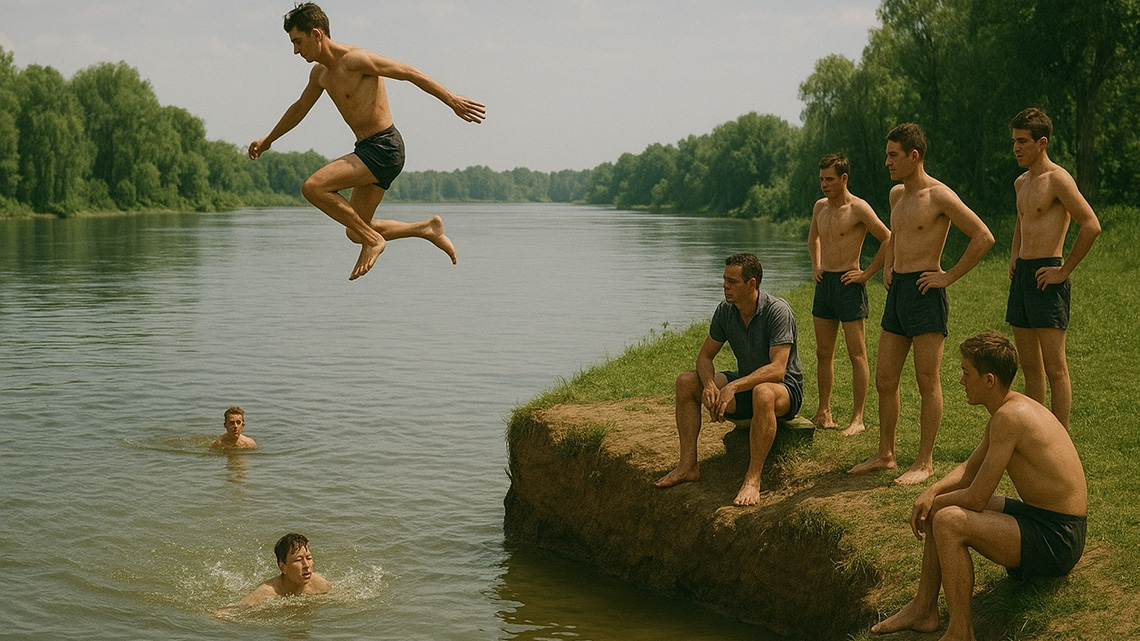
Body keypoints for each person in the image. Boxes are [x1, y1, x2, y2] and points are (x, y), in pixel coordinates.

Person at [871, 331, 1087, 640]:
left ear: (989, 380)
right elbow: (969, 468)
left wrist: (934, 505)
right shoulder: (1009, 408)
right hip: (1042, 518)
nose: (961, 381)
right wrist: (931, 492)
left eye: (965, 373)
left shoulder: (1010, 418)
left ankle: (961, 632)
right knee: (940, 506)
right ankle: (923, 609)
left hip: (1059, 538)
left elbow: (975, 498)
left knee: (947, 520)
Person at [249, 3, 485, 280]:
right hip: (368, 150)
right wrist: (268, 140)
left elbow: (409, 72)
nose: (296, 51)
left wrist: (452, 100)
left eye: (298, 42)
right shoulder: (320, 74)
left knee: (314, 187)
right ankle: (426, 229)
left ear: (316, 34)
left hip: (384, 146)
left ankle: (374, 241)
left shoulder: (356, 60)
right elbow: (299, 108)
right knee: (355, 230)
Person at [849, 123, 994, 485]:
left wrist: (946, 276)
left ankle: (925, 462)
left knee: (927, 379)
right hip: (899, 291)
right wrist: (890, 264)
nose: (887, 162)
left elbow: (983, 237)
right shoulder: (896, 195)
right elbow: (896, 235)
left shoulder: (940, 196)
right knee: (885, 378)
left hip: (927, 292)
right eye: (887, 155)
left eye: (893, 155)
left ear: (914, 156)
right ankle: (886, 454)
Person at [655, 253, 804, 507]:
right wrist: (711, 385)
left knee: (763, 393)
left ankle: (753, 479)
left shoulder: (778, 311)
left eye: (732, 281)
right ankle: (688, 466)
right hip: (747, 382)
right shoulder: (726, 311)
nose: (725, 286)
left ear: (751, 284)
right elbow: (704, 357)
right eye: (724, 279)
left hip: (783, 389)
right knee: (686, 382)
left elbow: (778, 370)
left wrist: (732, 386)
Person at [1007, 108, 1100, 430]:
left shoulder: (1057, 179)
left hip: (1049, 273)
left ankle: (1059, 435)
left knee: (1055, 367)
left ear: (1041, 142)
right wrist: (1014, 255)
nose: (1016, 148)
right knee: (1030, 368)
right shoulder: (1021, 182)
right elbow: (1022, 220)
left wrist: (1064, 270)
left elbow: (1090, 225)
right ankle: (1036, 433)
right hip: (1023, 276)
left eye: (1022, 141)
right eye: (1014, 141)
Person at [807, 153, 891, 436]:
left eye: (829, 179)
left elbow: (888, 238)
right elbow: (813, 238)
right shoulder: (820, 207)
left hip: (849, 284)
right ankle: (824, 411)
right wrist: (816, 265)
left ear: (844, 178)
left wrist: (866, 274)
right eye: (821, 179)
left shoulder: (858, 208)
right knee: (823, 352)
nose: (824, 185)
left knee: (857, 353)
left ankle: (858, 418)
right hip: (825, 286)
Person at [226, 533, 331, 611]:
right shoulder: (268, 592)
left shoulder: (319, 584)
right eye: (298, 560)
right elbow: (234, 609)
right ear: (283, 567)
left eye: (309, 558)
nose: (307, 565)